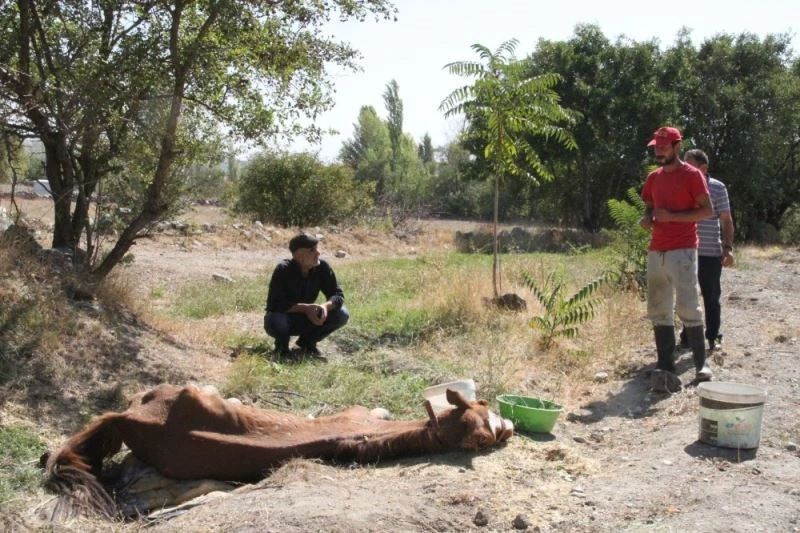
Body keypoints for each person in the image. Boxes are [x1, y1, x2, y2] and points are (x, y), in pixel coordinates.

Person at [640, 126, 713, 393]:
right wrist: (647, 219)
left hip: (683, 250)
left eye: (664, 146)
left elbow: (707, 211)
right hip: (656, 250)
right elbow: (649, 206)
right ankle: (664, 364)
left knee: (689, 307)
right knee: (659, 308)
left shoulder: (692, 176)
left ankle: (701, 365)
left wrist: (673, 217)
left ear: (676, 146)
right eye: (656, 147)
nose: (659, 151)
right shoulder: (653, 179)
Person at [678, 149, 735, 352]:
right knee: (687, 296)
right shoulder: (681, 186)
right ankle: (687, 336)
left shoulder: (718, 188)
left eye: (689, 165)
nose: (684, 168)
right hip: (685, 250)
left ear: (704, 168)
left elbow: (727, 221)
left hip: (710, 252)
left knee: (711, 296)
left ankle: (713, 336)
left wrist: (727, 248)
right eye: (683, 164)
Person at [264, 234, 349, 357]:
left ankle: (307, 343)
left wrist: (325, 307)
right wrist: (304, 308)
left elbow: (337, 294)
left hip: (309, 319)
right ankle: (282, 348)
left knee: (342, 313)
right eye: (312, 250)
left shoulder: (322, 267)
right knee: (277, 319)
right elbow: (274, 304)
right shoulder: (283, 269)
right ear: (298, 255)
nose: (318, 253)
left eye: (317, 248)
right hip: (286, 318)